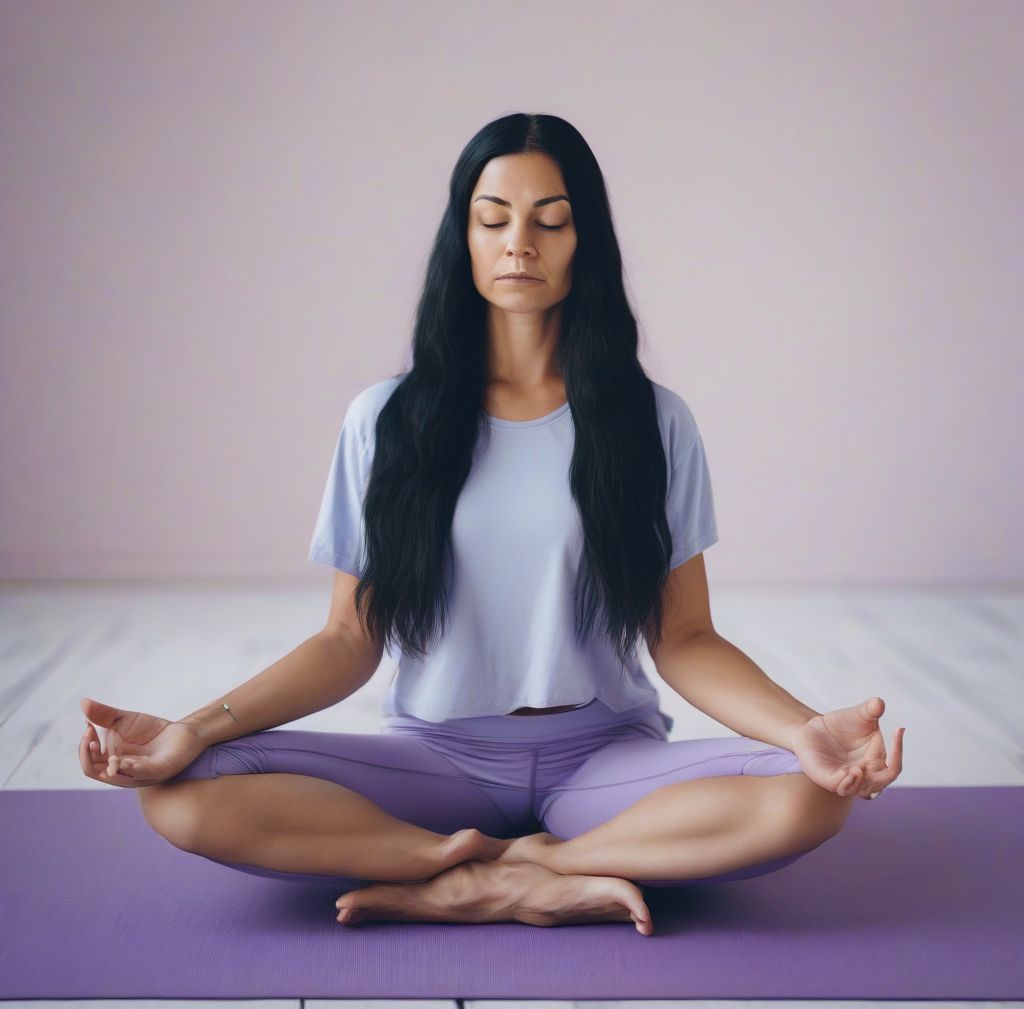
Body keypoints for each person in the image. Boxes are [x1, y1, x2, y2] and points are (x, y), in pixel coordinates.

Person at [77, 113, 904, 936]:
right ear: (463, 238)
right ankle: (468, 863)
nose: (520, 243)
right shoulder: (386, 420)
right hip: (437, 760)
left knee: (810, 797)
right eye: (494, 219)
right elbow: (345, 639)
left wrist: (805, 731)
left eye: (551, 220)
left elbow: (684, 637)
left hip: (604, 758)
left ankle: (510, 874)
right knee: (180, 797)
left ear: (587, 243)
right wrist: (189, 729)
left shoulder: (652, 422)